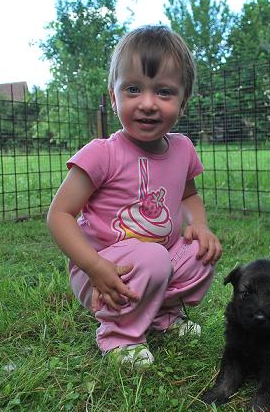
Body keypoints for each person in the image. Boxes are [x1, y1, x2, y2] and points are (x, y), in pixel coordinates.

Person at [46, 25, 222, 367]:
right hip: (102, 271)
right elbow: (59, 215)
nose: (148, 104)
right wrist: (93, 266)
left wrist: (199, 225)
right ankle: (119, 337)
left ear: (183, 102)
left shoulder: (183, 149)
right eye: (133, 89)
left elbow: (189, 195)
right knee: (153, 257)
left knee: (200, 253)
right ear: (114, 98)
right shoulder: (102, 154)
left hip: (158, 261)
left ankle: (161, 316)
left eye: (164, 92)